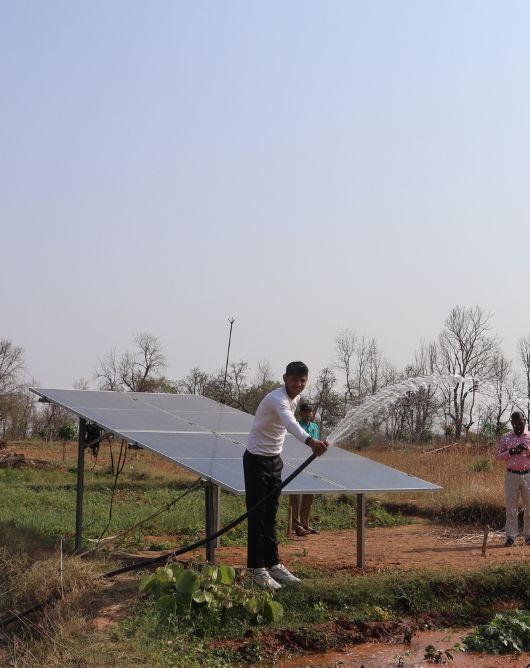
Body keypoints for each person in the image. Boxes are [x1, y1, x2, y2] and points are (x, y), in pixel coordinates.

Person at [243, 361, 328, 590]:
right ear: (285, 378)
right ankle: (257, 570)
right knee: (257, 515)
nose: (298, 384)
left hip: (274, 461)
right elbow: (290, 423)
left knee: (270, 515)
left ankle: (273, 565)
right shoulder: (277, 399)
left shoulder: (296, 399)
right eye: (294, 380)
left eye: (302, 381)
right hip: (256, 460)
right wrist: (311, 442)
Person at [495, 411, 530, 546]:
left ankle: (528, 536)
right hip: (511, 475)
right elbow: (497, 456)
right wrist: (511, 451)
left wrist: (527, 449)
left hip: (528, 475)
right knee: (511, 507)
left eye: (520, 423)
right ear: (511, 424)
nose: (518, 426)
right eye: (515, 424)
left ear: (524, 421)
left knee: (529, 506)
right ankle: (511, 536)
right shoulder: (506, 438)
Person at [289, 402, 320, 536]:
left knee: (309, 494)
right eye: (305, 411)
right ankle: (297, 526)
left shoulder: (314, 427)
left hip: (311, 462)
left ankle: (305, 523)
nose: (308, 414)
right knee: (295, 495)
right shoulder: (296, 426)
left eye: (310, 411)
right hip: (297, 462)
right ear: (300, 413)